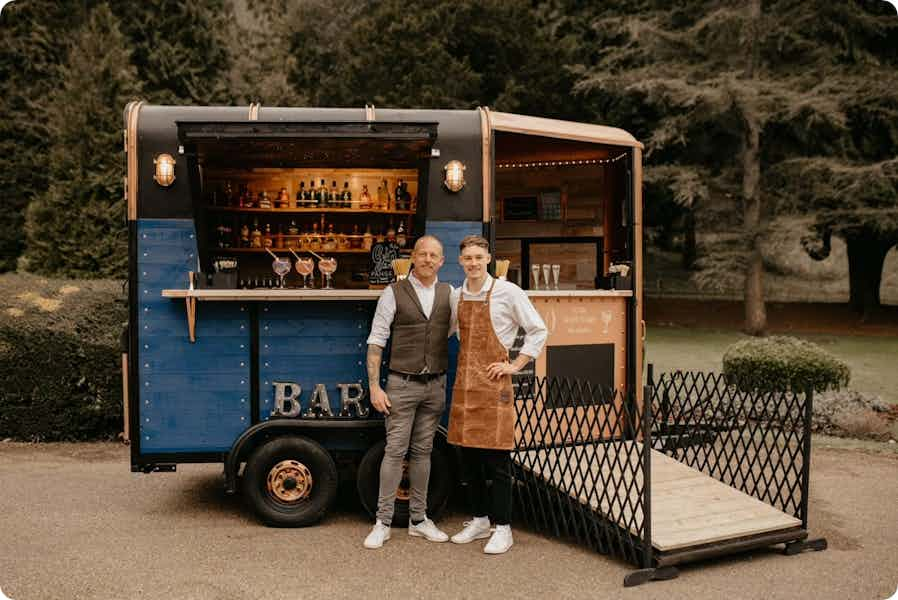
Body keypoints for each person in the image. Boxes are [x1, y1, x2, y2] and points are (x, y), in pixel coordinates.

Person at [448, 235, 547, 554]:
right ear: (460, 261)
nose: (473, 263)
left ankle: (503, 528)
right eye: (468, 258)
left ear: (488, 258)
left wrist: (516, 365)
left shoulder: (507, 291)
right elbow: (451, 331)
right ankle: (479, 520)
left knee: (497, 460)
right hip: (465, 384)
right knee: (470, 458)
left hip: (494, 384)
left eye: (479, 257)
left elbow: (538, 329)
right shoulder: (457, 295)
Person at [363, 235, 453, 549]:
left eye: (434, 255)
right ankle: (382, 522)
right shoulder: (393, 292)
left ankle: (419, 520)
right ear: (412, 257)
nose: (428, 259)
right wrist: (374, 387)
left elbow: (461, 330)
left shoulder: (449, 294)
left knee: (424, 453)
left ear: (442, 261)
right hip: (400, 384)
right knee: (394, 451)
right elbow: (376, 341)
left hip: (435, 385)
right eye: (423, 254)